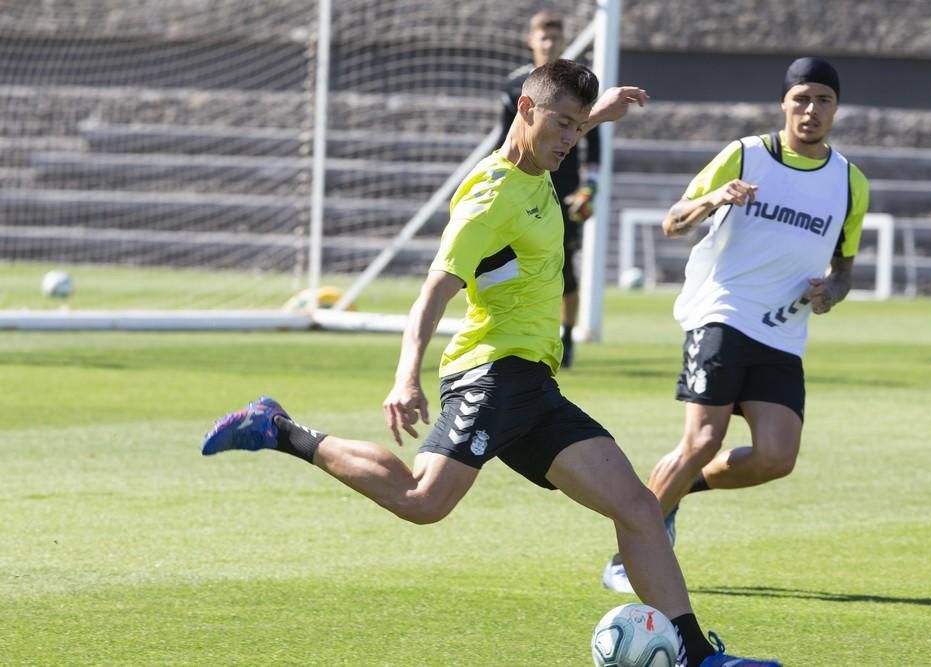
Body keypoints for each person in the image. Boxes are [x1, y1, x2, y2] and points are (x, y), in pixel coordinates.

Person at [203, 59, 780, 667]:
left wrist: (598, 111)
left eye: (576, 127)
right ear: (525, 112)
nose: (568, 139)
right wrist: (406, 376)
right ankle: (280, 429)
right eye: (561, 124)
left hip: (533, 384)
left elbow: (563, 128)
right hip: (490, 373)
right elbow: (434, 290)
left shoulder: (540, 162)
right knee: (423, 501)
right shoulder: (490, 195)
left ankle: (696, 655)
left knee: (638, 506)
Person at [602, 57, 869, 594]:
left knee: (776, 458)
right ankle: (627, 555)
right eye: (801, 99)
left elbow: (843, 272)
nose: (811, 110)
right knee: (702, 438)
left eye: (823, 100)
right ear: (783, 103)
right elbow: (672, 222)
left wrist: (828, 294)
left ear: (836, 108)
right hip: (721, 313)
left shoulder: (850, 182)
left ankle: (671, 496)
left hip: (782, 333)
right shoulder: (747, 155)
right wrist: (712, 199)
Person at [496, 10, 601, 368]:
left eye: (555, 37)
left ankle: (566, 336)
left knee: (564, 268)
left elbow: (594, 143)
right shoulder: (515, 85)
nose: (549, 43)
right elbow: (503, 137)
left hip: (565, 188)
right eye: (543, 36)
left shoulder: (577, 84)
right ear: (531, 40)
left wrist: (591, 188)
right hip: (521, 182)